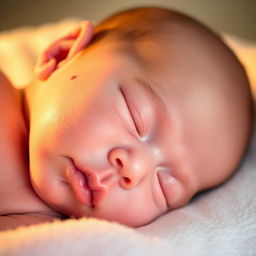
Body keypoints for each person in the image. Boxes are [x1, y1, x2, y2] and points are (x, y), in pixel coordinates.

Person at [0, 6, 254, 230]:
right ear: (62, 54)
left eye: (165, 187)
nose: (135, 170)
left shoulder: (39, 231)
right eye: (136, 119)